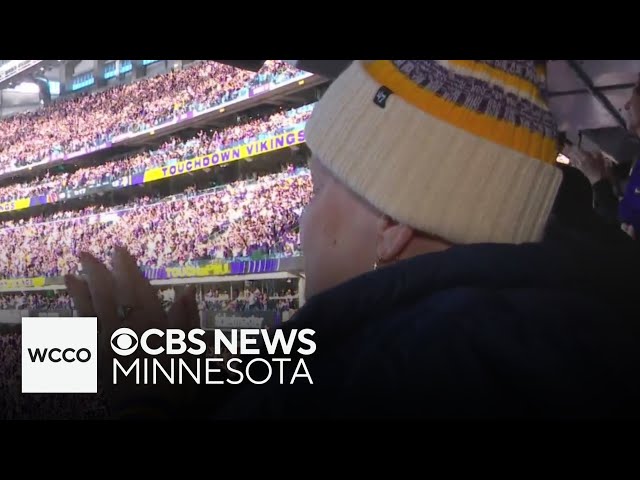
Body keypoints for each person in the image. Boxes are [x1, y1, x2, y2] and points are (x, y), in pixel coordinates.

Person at [67, 60, 640, 419]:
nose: (302, 220)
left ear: (392, 225)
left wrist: (141, 399)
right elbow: (306, 354)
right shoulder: (524, 325)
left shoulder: (401, 379)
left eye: (318, 190)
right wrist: (151, 360)